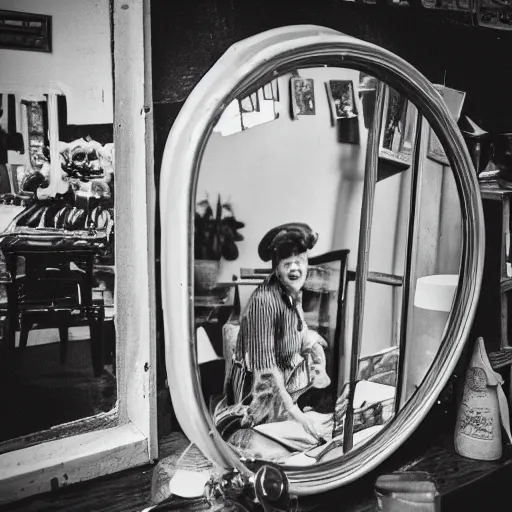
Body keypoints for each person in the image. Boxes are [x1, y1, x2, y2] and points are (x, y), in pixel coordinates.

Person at [214, 222, 332, 458]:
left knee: (328, 431)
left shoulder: (290, 296)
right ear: (276, 268)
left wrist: (316, 350)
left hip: (284, 403)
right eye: (288, 264)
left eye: (301, 262)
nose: (296, 269)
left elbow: (298, 334)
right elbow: (266, 371)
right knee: (308, 447)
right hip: (254, 410)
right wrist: (295, 413)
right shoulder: (264, 302)